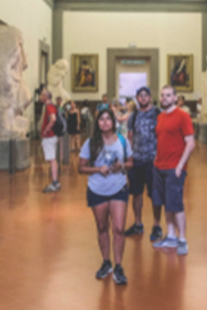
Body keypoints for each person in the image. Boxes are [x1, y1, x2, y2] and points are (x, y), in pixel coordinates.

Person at [78, 108, 133, 285]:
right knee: (102, 227)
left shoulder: (123, 141)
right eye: (101, 119)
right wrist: (97, 169)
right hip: (97, 189)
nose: (105, 122)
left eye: (108, 119)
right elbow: (81, 168)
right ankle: (106, 262)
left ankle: (118, 266)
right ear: (97, 123)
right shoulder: (90, 142)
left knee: (119, 228)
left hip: (118, 187)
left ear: (113, 122)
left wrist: (121, 166)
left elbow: (130, 162)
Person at [151, 86, 195, 256]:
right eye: (162, 95)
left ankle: (182, 239)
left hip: (174, 167)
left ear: (175, 98)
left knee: (176, 204)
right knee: (166, 203)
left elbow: (190, 143)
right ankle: (171, 236)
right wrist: (156, 160)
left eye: (168, 95)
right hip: (159, 166)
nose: (164, 98)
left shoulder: (183, 116)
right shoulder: (160, 117)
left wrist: (180, 166)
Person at [124, 87, 163, 241]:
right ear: (137, 98)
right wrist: (129, 158)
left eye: (146, 95)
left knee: (155, 194)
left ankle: (157, 225)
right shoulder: (133, 116)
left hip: (154, 160)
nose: (143, 98)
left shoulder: (158, 114)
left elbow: (163, 135)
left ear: (150, 97)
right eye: (140, 96)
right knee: (136, 193)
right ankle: (138, 223)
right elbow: (130, 137)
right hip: (137, 159)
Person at [40, 90, 61, 193]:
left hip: (50, 136)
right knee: (53, 159)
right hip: (52, 136)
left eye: (41, 95)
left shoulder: (49, 106)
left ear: (46, 97)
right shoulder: (51, 106)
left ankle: (54, 182)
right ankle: (55, 182)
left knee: (52, 160)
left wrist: (45, 130)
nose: (40, 97)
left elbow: (53, 119)